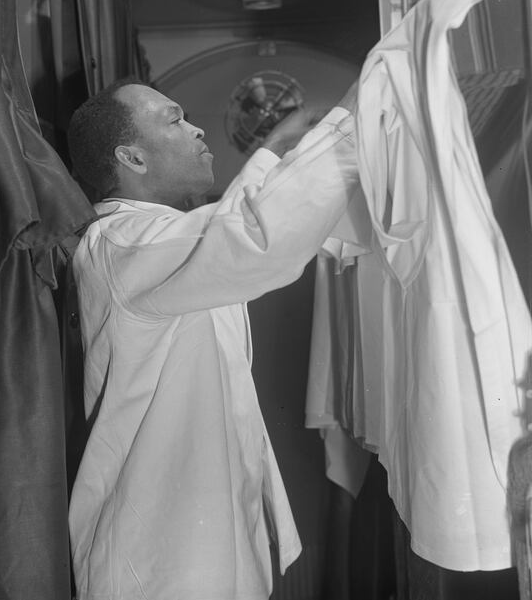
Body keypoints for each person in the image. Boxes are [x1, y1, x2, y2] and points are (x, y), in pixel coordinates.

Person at [67, 77, 359, 600]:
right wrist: (356, 109)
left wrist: (283, 148)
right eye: (175, 119)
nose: (198, 128)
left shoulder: (160, 236)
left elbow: (237, 228)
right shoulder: (122, 243)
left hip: (200, 546)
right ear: (132, 157)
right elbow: (251, 237)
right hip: (159, 565)